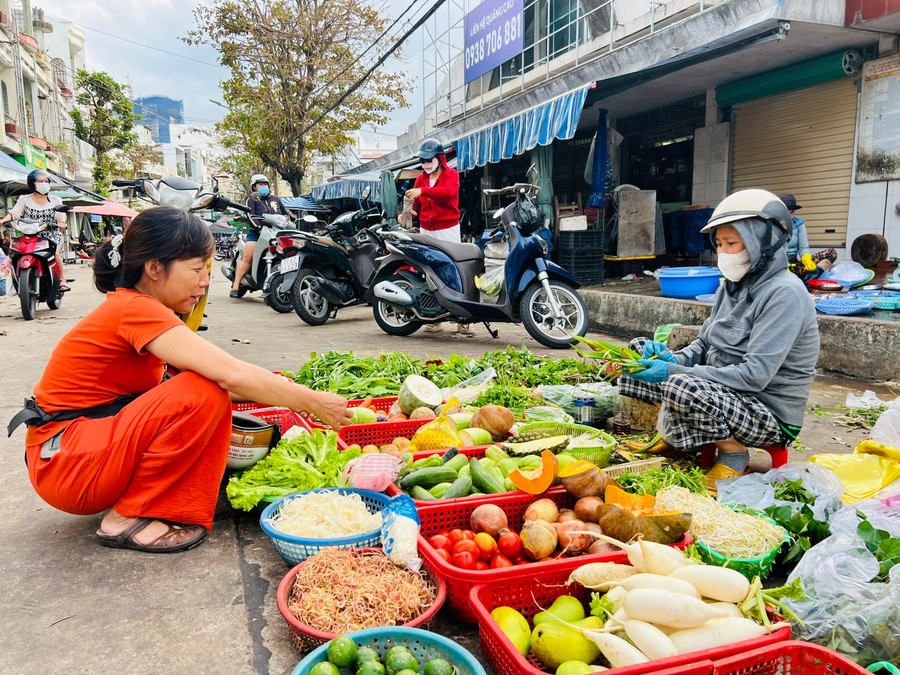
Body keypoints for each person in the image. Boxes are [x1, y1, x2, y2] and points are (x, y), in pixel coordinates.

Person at [10, 207, 352, 553]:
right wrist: (314, 401)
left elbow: (231, 382)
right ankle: (126, 517)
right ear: (155, 268)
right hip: (67, 466)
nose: (205, 282)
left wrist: (291, 393)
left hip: (71, 456)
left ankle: (142, 503)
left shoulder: (136, 306)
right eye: (197, 269)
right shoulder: (135, 309)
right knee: (201, 390)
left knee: (206, 386)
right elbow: (227, 374)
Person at [619, 189, 820, 495]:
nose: (723, 253)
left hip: (767, 410)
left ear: (761, 242)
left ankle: (734, 452)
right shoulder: (732, 286)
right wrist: (672, 358)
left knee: (679, 385)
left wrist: (673, 373)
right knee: (635, 352)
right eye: (720, 244)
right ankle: (672, 439)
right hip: (723, 395)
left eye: (732, 244)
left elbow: (753, 376)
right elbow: (703, 344)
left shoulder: (785, 294)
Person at [404, 138, 472, 336]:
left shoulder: (451, 175)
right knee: (428, 272)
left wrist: (422, 191)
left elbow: (447, 193)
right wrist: (407, 214)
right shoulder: (420, 179)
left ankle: (463, 319)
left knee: (454, 271)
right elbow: (416, 206)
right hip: (426, 230)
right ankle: (433, 317)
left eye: (428, 159)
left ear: (440, 158)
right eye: (423, 160)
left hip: (448, 229)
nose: (425, 164)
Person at [0, 169, 70, 291]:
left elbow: (60, 214)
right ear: (32, 183)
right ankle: (17, 279)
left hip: (50, 233)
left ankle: (62, 280)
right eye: (40, 181)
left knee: (56, 253)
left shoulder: (55, 200)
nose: (44, 183)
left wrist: (61, 222)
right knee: (15, 253)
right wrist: (2, 221)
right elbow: (14, 213)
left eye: (46, 181)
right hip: (28, 233)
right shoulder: (24, 198)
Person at [230, 173, 289, 298]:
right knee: (248, 257)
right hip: (256, 234)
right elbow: (250, 216)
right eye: (260, 184)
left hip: (275, 233)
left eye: (265, 184)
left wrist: (289, 220)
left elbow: (286, 215)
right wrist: (259, 228)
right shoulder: (251, 200)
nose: (263, 186)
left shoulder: (276, 199)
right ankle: (235, 285)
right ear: (254, 187)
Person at [779, 193, 837, 278]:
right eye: (786, 212)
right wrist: (783, 266)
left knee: (832, 253)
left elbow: (803, 248)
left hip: (795, 266)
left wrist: (806, 258)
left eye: (792, 212)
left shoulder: (799, 223)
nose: (790, 216)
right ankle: (800, 281)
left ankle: (809, 280)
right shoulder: (773, 224)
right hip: (779, 268)